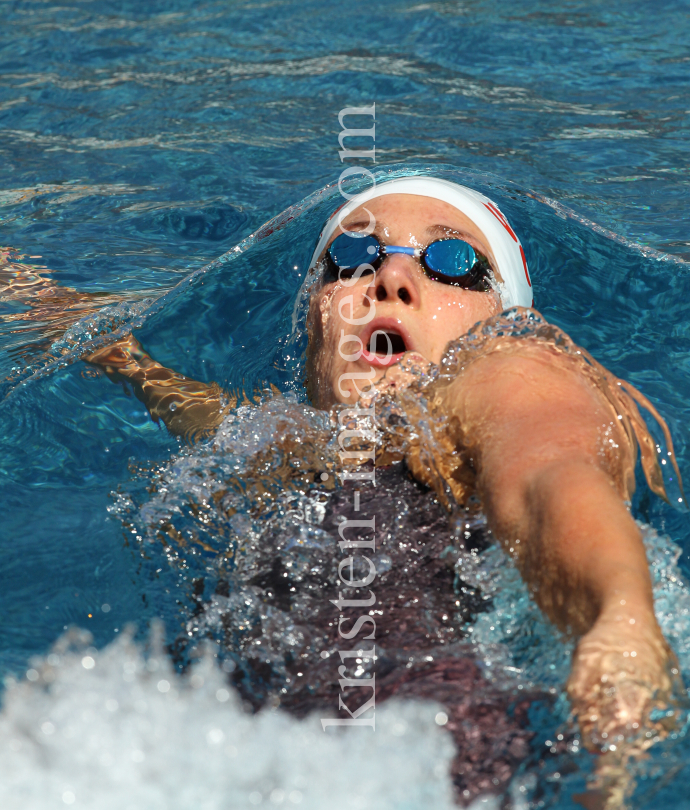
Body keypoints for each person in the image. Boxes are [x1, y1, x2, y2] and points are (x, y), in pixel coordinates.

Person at [83, 175, 684, 801]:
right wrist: (69, 322)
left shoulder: (503, 376)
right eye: (353, 258)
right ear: (314, 324)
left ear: (503, 321)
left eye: (453, 263)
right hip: (234, 746)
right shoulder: (281, 439)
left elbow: (547, 478)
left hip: (433, 731)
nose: (391, 279)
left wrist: (619, 616)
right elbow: (172, 393)